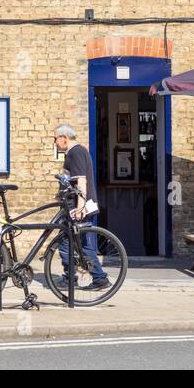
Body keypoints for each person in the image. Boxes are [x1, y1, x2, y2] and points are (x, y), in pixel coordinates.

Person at [53, 123, 109, 291]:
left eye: (56, 138)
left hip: (77, 207)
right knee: (76, 242)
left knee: (70, 242)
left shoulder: (75, 153)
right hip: (76, 205)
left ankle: (92, 278)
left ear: (64, 138)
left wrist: (79, 207)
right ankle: (78, 277)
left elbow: (81, 181)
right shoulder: (78, 151)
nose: (55, 142)